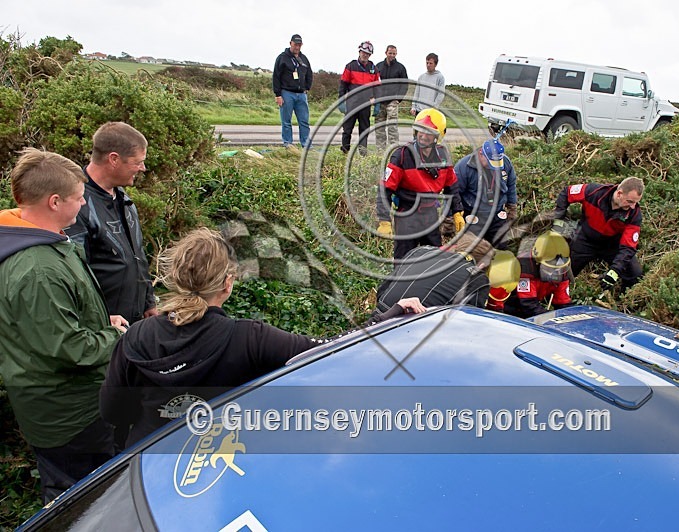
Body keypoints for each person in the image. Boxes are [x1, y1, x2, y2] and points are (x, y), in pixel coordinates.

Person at [99, 228, 425, 447]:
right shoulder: (249, 339)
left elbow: (112, 412)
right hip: (219, 460)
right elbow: (332, 351)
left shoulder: (136, 337)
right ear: (228, 284)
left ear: (175, 279)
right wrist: (391, 315)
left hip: (148, 460)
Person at [0, 148, 128, 504]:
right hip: (69, 417)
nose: (85, 204)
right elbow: (67, 348)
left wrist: (102, 320)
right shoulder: (37, 269)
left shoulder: (42, 240)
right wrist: (114, 336)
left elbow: (56, 320)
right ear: (55, 201)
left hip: (72, 406)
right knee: (83, 502)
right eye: (79, 197)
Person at [65, 122, 157, 324]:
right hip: (104, 328)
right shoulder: (77, 205)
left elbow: (137, 255)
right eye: (138, 162)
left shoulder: (122, 197)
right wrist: (100, 320)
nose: (143, 168)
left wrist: (148, 302)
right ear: (114, 159)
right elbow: (75, 275)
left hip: (134, 321)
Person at [376, 108, 465, 260]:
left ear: (438, 136)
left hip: (429, 214)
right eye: (420, 131)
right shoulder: (402, 155)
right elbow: (385, 189)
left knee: (433, 258)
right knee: (402, 260)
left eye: (429, 133)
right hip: (406, 214)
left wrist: (457, 212)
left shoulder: (444, 155)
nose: (423, 136)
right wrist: (384, 220)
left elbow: (452, 187)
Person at [552, 176, 644, 290]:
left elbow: (628, 247)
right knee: (563, 273)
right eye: (630, 201)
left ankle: (623, 302)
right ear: (619, 193)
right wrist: (558, 220)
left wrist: (614, 271)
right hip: (586, 238)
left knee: (635, 274)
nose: (632, 206)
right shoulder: (594, 192)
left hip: (612, 245)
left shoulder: (634, 214)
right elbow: (567, 192)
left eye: (635, 203)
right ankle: (554, 299)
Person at [375, 231, 495, 312]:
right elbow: (469, 320)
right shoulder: (477, 278)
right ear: (482, 265)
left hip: (379, 318)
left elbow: (382, 291)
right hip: (414, 329)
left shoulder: (420, 251)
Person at [454, 138, 518, 248]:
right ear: (481, 154)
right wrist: (452, 215)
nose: (494, 166)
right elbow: (454, 193)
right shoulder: (463, 166)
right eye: (491, 162)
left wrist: (512, 207)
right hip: (473, 215)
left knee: (501, 249)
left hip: (497, 214)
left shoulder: (506, 163)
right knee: (473, 251)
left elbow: (511, 185)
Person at [502, 231, 573, 317]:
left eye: (558, 268)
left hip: (533, 305)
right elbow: (528, 305)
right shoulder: (524, 269)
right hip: (510, 309)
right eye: (550, 268)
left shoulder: (562, 270)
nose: (555, 272)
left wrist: (569, 316)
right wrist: (550, 317)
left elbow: (563, 302)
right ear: (538, 262)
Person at [339, 41, 380, 154]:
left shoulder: (374, 69)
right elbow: (343, 84)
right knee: (347, 129)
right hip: (352, 103)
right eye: (363, 52)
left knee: (364, 129)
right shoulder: (350, 66)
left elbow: (377, 88)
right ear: (359, 51)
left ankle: (362, 152)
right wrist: (341, 101)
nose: (365, 55)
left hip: (365, 104)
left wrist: (377, 103)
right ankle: (345, 151)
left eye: (367, 53)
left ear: (370, 55)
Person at [273, 34, 313, 148]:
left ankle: (306, 144)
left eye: (299, 45)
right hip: (287, 93)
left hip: (301, 95)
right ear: (290, 43)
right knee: (286, 121)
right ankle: (288, 144)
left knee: (304, 121)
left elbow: (309, 74)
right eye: (295, 44)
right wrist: (278, 95)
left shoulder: (304, 58)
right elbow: (276, 76)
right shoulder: (282, 58)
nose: (297, 47)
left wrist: (307, 88)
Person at [374, 45, 408, 150]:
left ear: (396, 54)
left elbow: (404, 85)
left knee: (392, 127)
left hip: (393, 101)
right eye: (390, 53)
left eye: (394, 53)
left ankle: (394, 151)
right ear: (386, 53)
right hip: (380, 101)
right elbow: (373, 83)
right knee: (379, 127)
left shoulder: (400, 68)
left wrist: (398, 99)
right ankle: (380, 152)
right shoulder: (378, 66)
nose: (392, 55)